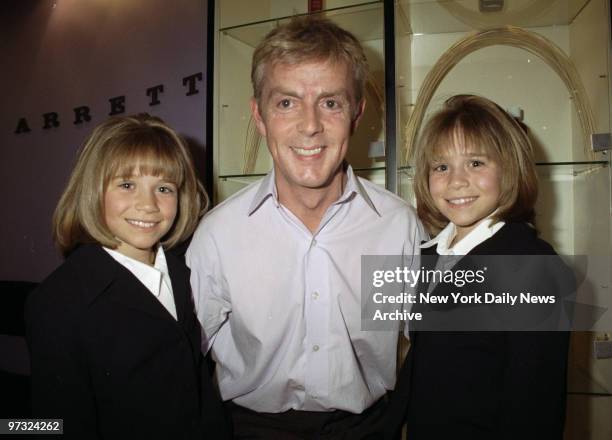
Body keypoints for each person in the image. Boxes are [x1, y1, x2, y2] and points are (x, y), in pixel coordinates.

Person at [186, 15, 423, 439]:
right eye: (287, 102)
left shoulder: (397, 226)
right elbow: (179, 361)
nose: (310, 125)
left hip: (367, 430)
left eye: (331, 102)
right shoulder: (217, 235)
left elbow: (446, 345)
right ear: (259, 116)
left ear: (356, 113)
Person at [26, 114, 231, 439]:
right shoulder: (59, 302)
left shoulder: (183, 272)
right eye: (127, 184)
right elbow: (55, 425)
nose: (148, 205)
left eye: (164, 188)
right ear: (93, 190)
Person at [383, 95, 572, 439]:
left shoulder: (532, 266)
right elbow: (423, 360)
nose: (457, 181)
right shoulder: (430, 254)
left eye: (475, 163)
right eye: (441, 167)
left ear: (509, 167)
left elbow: (535, 408)